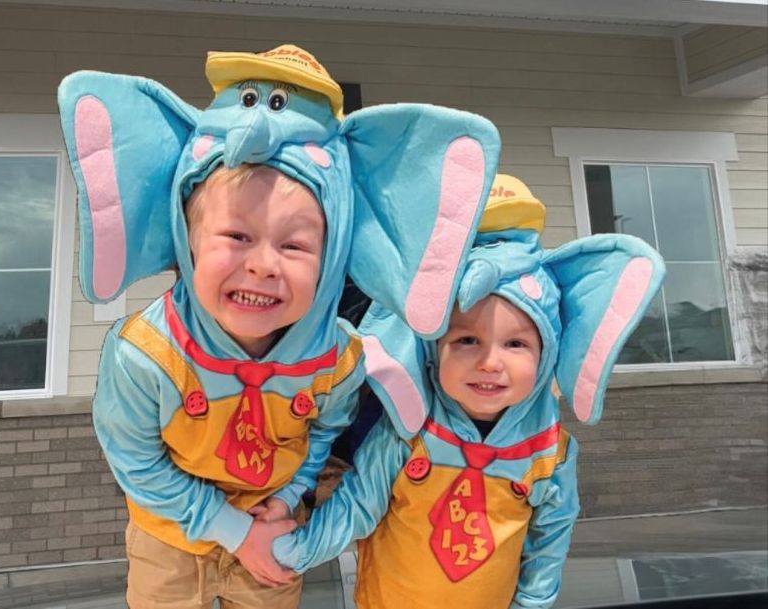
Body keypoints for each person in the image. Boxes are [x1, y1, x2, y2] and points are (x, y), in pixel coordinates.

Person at [57, 44, 501, 609]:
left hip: (276, 533)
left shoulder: (338, 363)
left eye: (294, 245)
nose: (264, 263)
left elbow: (323, 434)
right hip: (169, 540)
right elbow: (137, 464)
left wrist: (291, 495)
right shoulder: (144, 356)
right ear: (186, 237)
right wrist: (235, 530)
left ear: (334, 254)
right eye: (237, 236)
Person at [273, 174, 666, 609]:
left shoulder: (548, 456)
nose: (490, 362)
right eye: (466, 341)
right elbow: (356, 508)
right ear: (432, 351)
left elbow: (548, 544)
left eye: (516, 343)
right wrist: (294, 551)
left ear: (547, 354)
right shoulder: (406, 435)